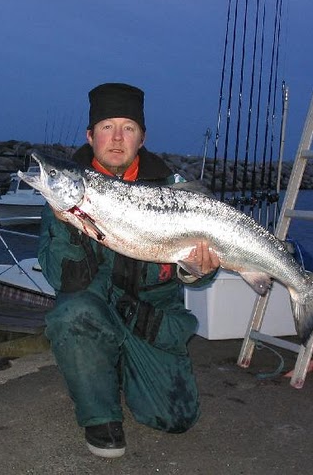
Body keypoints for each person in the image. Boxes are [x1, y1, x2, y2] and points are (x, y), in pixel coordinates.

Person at [38, 82, 221, 458]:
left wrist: (197, 270)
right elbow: (61, 277)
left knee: (175, 419)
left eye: (128, 128)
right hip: (95, 311)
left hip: (149, 318)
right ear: (90, 136)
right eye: (107, 127)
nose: (117, 138)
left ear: (142, 138)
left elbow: (201, 266)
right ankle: (99, 415)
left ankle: (119, 366)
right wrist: (64, 223)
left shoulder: (173, 191)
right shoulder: (66, 192)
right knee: (71, 314)